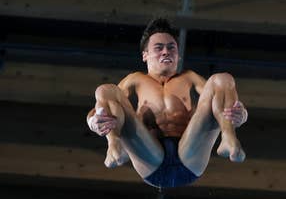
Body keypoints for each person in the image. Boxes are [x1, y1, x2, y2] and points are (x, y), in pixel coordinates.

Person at [87, 18, 248, 188]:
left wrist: (242, 114)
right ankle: (114, 145)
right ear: (145, 55)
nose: (166, 52)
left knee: (221, 79)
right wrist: (93, 122)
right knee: (105, 90)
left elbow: (221, 94)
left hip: (190, 153)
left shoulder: (189, 77)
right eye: (159, 48)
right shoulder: (135, 80)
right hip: (149, 157)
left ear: (178, 56)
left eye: (171, 48)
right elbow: (100, 106)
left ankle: (229, 137)